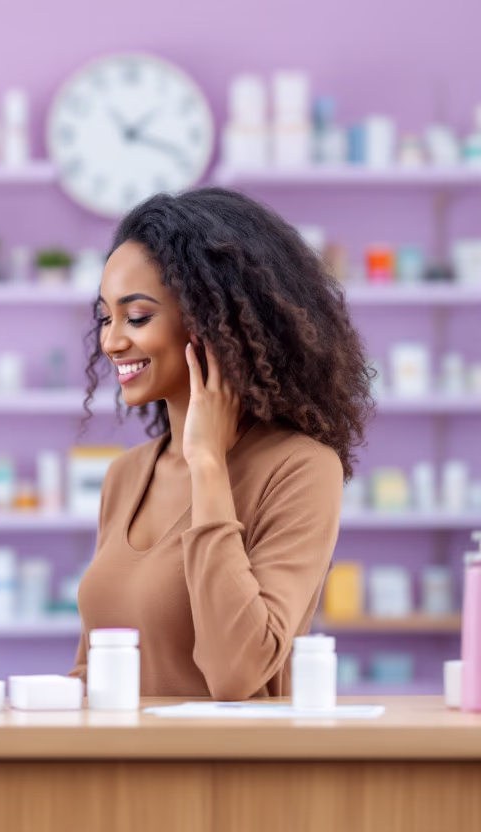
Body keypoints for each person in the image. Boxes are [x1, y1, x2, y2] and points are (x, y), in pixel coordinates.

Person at [72, 187, 373, 700]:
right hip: (117, 776)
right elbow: (93, 677)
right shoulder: (127, 476)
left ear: (216, 321)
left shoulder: (299, 469)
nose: (111, 341)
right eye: (106, 317)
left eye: (138, 316)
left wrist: (208, 464)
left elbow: (238, 672)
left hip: (226, 777)